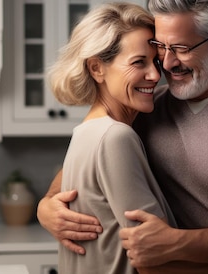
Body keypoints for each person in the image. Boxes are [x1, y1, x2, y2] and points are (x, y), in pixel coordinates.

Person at [37, 0, 208, 273]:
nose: (166, 64)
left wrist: (177, 244)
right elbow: (88, 165)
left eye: (181, 48)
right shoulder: (145, 107)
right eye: (161, 47)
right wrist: (46, 206)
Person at [43, 2, 176, 273]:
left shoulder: (87, 132)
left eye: (155, 62)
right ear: (96, 68)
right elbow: (158, 256)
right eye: (139, 62)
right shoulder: (115, 137)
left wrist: (43, 206)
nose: (154, 75)